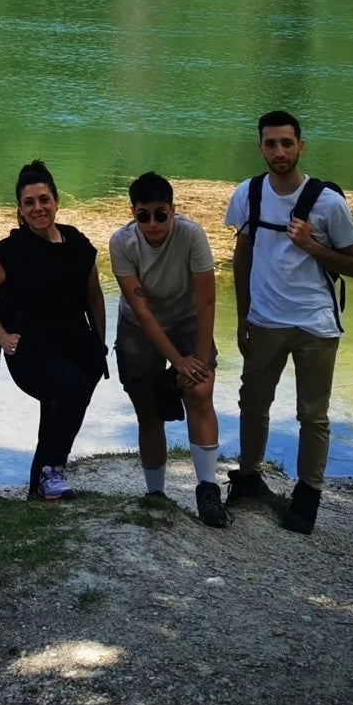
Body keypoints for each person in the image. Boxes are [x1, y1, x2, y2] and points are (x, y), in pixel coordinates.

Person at [226, 109, 353, 534]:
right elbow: (243, 255)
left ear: (300, 146)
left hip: (315, 323)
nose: (279, 151)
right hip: (265, 318)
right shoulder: (247, 194)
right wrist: (243, 314)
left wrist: (310, 245)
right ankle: (248, 478)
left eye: (287, 143)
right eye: (271, 143)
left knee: (313, 414)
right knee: (252, 402)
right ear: (260, 146)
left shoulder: (328, 202)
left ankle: (307, 497)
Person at [0, 161, 107, 500]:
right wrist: (0, 333)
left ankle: (40, 485)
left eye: (43, 199)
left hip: (74, 343)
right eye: (29, 202)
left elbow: (93, 293)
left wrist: (100, 343)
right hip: (29, 349)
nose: (38, 208)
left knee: (63, 405)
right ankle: (51, 470)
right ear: (19, 209)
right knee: (68, 389)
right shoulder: (11, 251)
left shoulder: (77, 243)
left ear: (56, 201)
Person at [108, 173, 226, 528]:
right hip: (138, 326)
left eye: (161, 214)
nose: (153, 223)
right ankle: (156, 493)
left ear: (173, 210)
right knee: (148, 409)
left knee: (200, 391)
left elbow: (206, 300)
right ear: (133, 213)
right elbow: (141, 311)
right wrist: (177, 362)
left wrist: (199, 362)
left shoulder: (192, 234)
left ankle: (207, 491)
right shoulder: (120, 243)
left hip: (187, 317)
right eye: (143, 215)